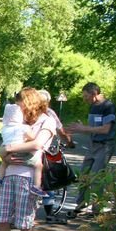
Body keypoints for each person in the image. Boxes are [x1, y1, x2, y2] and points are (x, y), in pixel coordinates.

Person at [0, 87, 56, 231]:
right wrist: (4, 153)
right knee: (2, 220)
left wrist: (8, 148)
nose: (18, 108)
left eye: (20, 104)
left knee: (25, 224)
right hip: (9, 174)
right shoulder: (20, 121)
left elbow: (37, 144)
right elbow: (2, 148)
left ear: (28, 102)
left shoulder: (47, 120)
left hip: (28, 177)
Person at [63, 82, 116, 218]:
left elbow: (106, 129)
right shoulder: (93, 106)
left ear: (94, 94)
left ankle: (97, 210)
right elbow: (94, 128)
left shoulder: (108, 106)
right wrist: (81, 129)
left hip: (104, 146)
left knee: (96, 177)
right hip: (92, 145)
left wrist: (84, 129)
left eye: (86, 96)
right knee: (83, 175)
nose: (84, 99)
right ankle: (81, 205)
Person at [0, 96, 48, 198]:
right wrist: (27, 139)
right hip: (23, 153)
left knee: (4, 163)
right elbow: (35, 142)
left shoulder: (4, 129)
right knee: (38, 165)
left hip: (9, 153)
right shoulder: (23, 127)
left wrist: (6, 150)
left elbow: (4, 146)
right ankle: (36, 187)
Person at [38, 89, 75, 223]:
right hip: (42, 151)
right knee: (49, 180)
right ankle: (49, 213)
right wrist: (70, 142)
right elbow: (61, 132)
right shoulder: (49, 114)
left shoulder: (26, 112)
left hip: (25, 151)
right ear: (47, 102)